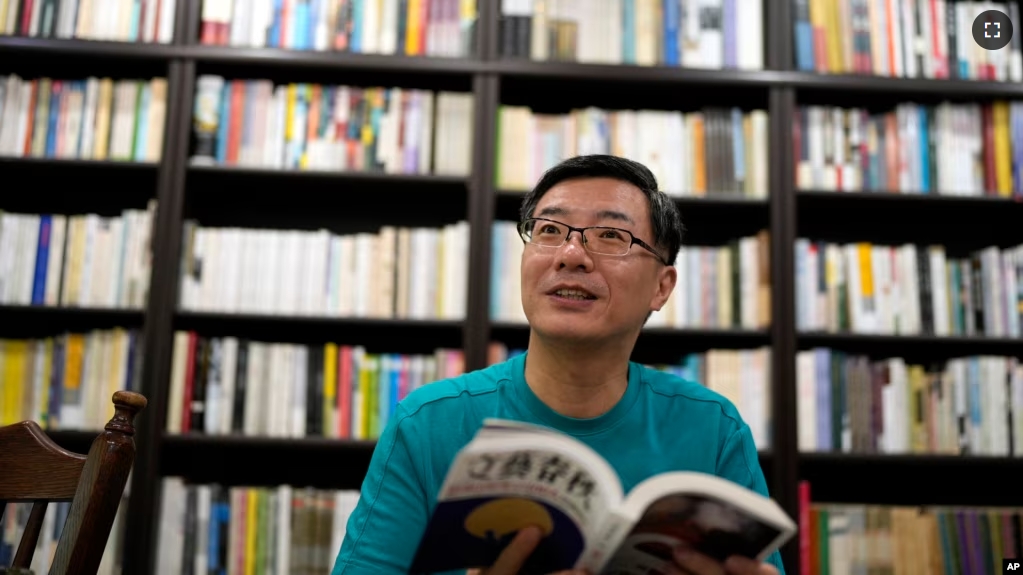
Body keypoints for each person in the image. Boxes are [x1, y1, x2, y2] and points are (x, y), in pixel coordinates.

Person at [330, 155, 786, 575]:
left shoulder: (713, 428)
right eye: (549, 230)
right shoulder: (429, 424)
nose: (571, 255)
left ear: (661, 287)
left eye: (611, 235)